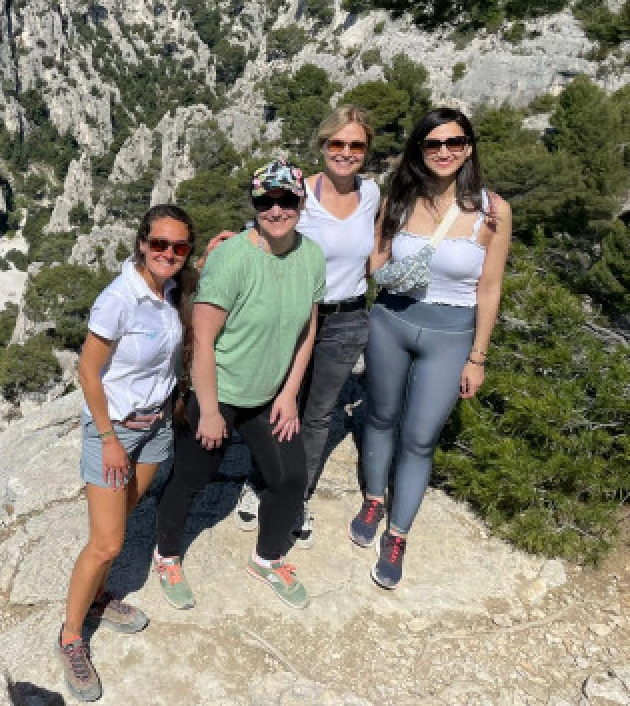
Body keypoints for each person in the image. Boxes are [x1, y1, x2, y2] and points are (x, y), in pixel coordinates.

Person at [349, 107, 511, 589]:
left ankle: (398, 534)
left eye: (455, 142)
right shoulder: (400, 198)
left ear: (469, 147)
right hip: (391, 321)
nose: (444, 152)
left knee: (420, 437)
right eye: (433, 143)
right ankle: (374, 497)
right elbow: (374, 259)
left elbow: (490, 289)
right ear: (419, 149)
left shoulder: (492, 211)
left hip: (451, 335)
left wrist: (478, 357)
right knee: (379, 417)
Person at [152, 161, 324, 611]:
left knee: (290, 478)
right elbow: (203, 339)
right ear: (254, 205)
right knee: (193, 477)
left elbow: (308, 330)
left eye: (286, 200)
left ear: (300, 203)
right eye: (266, 201)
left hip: (268, 395)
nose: (276, 209)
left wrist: (289, 395)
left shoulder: (311, 257)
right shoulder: (232, 259)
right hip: (219, 390)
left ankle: (267, 559)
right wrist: (208, 410)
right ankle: (166, 554)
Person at [57, 204, 197, 702]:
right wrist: (109, 440)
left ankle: (97, 598)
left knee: (124, 515)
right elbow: (88, 372)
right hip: (114, 431)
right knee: (107, 543)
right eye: (159, 243)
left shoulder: (174, 290)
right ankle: (71, 635)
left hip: (156, 426)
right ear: (142, 243)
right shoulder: (119, 298)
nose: (168, 253)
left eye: (179, 247)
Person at [234, 107, 379, 549]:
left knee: (317, 414)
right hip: (295, 314)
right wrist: (232, 243)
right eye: (337, 143)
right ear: (323, 146)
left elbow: (380, 251)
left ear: (367, 151)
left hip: (349, 317)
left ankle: (296, 495)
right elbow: (269, 226)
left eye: (356, 145)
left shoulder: (372, 194)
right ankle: (259, 482)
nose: (346, 153)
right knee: (276, 401)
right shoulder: (302, 193)